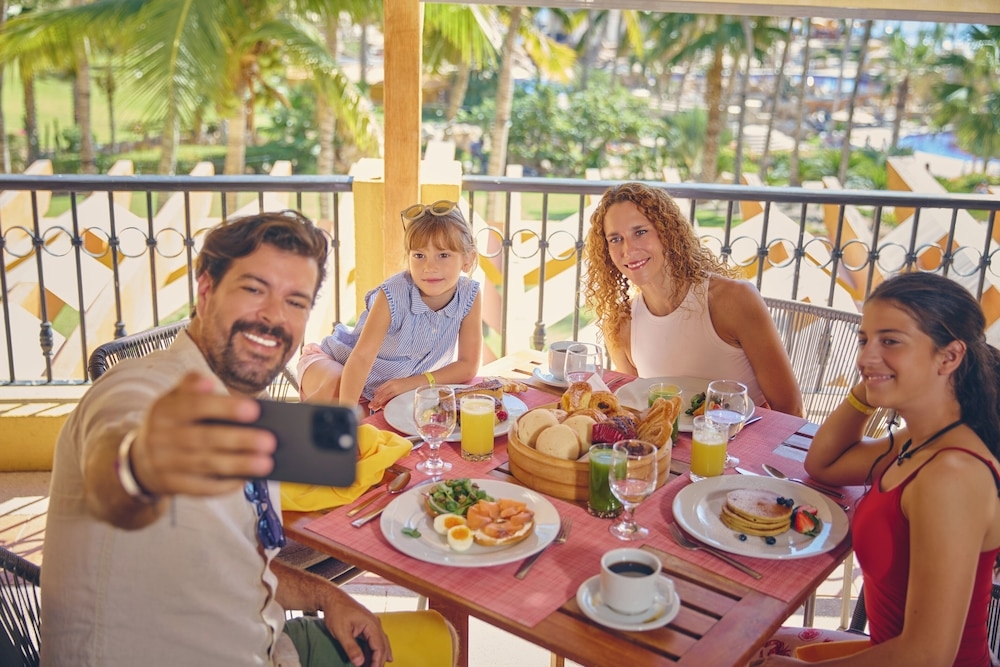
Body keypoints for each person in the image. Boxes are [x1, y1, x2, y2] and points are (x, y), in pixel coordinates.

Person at [40, 211, 454, 667]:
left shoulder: (241, 412)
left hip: (267, 644)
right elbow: (123, 458)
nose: (275, 317)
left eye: (295, 302)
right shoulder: (138, 388)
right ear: (206, 289)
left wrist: (324, 595)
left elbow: (237, 557)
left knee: (439, 637)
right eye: (254, 289)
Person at [753, 272, 1000, 666]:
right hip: (884, 650)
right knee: (743, 641)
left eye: (891, 341)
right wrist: (871, 385)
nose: (865, 357)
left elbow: (928, 655)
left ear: (949, 357)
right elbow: (824, 465)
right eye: (864, 339)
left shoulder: (951, 474)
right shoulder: (918, 440)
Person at [583, 182, 802, 416]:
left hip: (740, 444)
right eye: (615, 239)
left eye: (640, 232)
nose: (628, 249)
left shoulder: (733, 300)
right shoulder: (620, 324)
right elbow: (634, 410)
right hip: (668, 449)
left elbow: (790, 409)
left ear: (666, 232)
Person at [298, 200, 483, 411]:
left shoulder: (470, 294)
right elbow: (360, 359)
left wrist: (412, 383)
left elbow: (468, 365)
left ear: (467, 259)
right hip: (338, 364)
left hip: (387, 388)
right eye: (419, 255)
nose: (430, 267)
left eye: (443, 255)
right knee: (339, 390)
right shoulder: (392, 295)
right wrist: (346, 420)